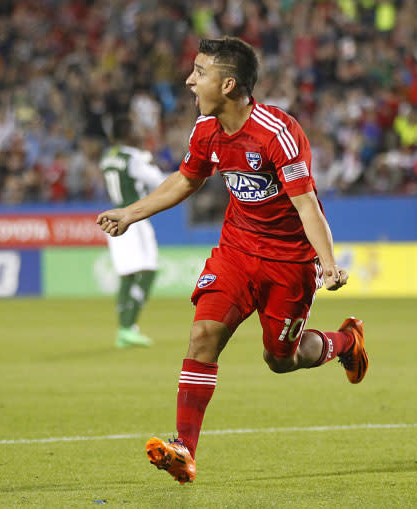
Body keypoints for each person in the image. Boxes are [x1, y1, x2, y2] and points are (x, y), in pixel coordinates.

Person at [97, 37, 369, 483]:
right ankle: (184, 449)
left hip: (289, 263)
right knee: (203, 334)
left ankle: (345, 343)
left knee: (281, 358)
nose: (189, 80)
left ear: (227, 84)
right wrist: (131, 213)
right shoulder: (205, 131)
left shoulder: (278, 133)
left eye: (198, 73)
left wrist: (329, 263)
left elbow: (306, 206)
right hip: (237, 253)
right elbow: (185, 181)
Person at [99, 118, 166, 348]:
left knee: (127, 275)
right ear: (127, 134)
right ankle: (128, 327)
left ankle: (124, 329)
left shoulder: (107, 158)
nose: (139, 133)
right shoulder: (133, 158)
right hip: (133, 219)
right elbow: (158, 181)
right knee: (148, 270)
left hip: (113, 218)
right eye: (134, 129)